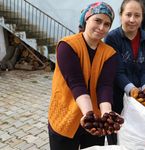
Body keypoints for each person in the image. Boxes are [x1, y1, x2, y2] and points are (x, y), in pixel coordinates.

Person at [47, 2, 118, 150]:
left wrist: (106, 115)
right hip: (66, 116)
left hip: (95, 123)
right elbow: (76, 83)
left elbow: (105, 86)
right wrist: (88, 114)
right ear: (86, 19)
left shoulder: (110, 53)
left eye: (107, 24)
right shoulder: (67, 46)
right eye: (97, 20)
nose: (101, 27)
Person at [104, 0, 145, 145]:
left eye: (137, 15)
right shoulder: (112, 38)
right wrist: (131, 89)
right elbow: (117, 71)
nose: (132, 20)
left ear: (142, 18)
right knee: (115, 132)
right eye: (128, 15)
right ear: (121, 15)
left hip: (139, 96)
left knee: (137, 133)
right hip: (117, 94)